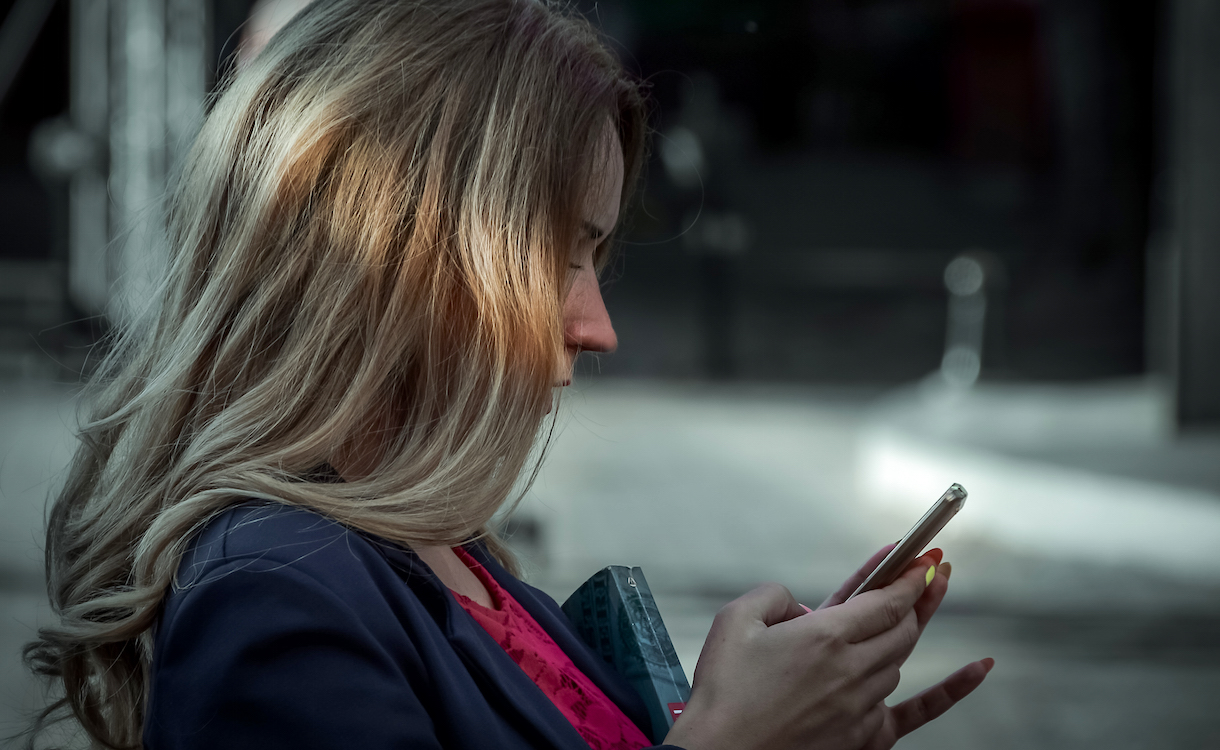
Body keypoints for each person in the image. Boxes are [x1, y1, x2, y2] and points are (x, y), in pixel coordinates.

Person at [24, 1, 992, 748]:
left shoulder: (435, 552)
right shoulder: (277, 592)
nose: (596, 326)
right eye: (557, 254)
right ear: (389, 250)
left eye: (596, 259)